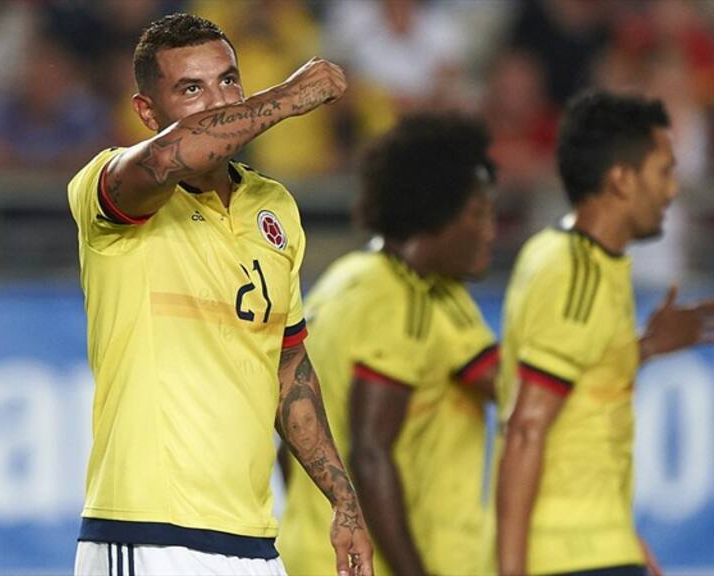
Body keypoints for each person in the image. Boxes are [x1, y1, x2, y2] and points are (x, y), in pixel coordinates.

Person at [67, 13, 374, 576]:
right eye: (191, 89)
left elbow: (287, 365)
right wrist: (287, 97)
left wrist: (344, 502)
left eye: (228, 81)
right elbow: (166, 158)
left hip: (252, 541)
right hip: (147, 533)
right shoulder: (108, 186)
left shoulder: (273, 206)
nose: (217, 101)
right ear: (147, 112)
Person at [495, 90, 714, 576]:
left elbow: (580, 391)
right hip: (573, 556)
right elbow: (527, 428)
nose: (673, 190)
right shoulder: (576, 273)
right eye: (664, 171)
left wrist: (648, 347)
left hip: (598, 546)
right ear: (621, 178)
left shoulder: (578, 260)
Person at [278, 113, 500, 575]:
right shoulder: (398, 299)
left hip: (309, 553)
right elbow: (372, 452)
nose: (490, 231)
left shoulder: (342, 280)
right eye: (478, 214)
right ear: (437, 212)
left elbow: (290, 438)